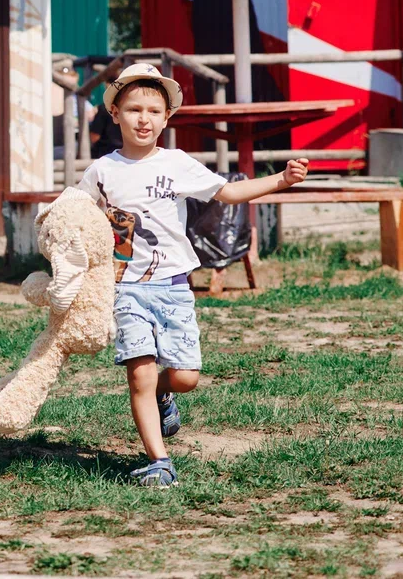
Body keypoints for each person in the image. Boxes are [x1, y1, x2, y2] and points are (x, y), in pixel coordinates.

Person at [76, 63, 308, 488]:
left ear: (167, 118)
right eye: (134, 110)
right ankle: (159, 462)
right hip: (125, 288)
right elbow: (75, 214)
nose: (143, 119)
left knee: (186, 377)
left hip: (173, 288)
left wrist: (281, 179)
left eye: (153, 111)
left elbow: (229, 192)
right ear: (115, 113)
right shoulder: (101, 171)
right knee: (140, 374)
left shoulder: (177, 163)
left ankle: (164, 393)